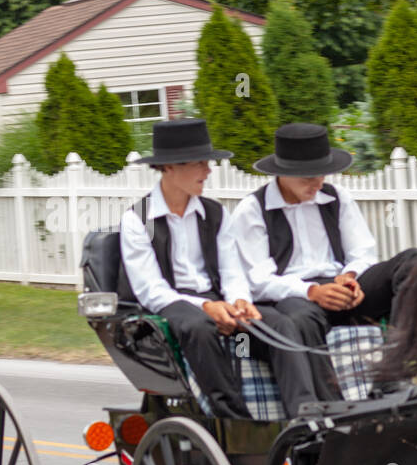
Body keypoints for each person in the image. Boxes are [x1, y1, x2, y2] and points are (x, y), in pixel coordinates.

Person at [119, 118, 318, 419]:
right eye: (200, 163)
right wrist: (208, 307)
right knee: (199, 327)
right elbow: (152, 291)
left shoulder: (215, 212)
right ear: (169, 167)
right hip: (174, 304)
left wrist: (239, 301)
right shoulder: (138, 218)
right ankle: (233, 419)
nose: (208, 171)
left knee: (280, 324)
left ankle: (305, 414)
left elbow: (232, 271)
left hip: (218, 299)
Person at [227, 122, 417, 400]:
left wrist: (351, 276)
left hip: (342, 286)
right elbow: (257, 280)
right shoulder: (252, 210)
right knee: (300, 318)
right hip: (293, 294)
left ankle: (394, 372)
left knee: (414, 262)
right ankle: (329, 407)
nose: (318, 181)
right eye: (308, 176)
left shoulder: (336, 197)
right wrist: (312, 292)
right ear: (282, 174)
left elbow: (362, 252)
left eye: (322, 172)